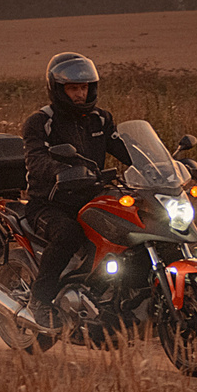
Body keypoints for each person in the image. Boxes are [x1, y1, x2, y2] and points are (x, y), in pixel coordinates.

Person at [22, 51, 133, 327]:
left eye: (84, 87)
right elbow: (35, 159)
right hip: (50, 203)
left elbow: (128, 150)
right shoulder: (40, 122)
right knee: (67, 234)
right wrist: (60, 170)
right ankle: (40, 301)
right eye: (73, 88)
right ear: (58, 89)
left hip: (92, 199)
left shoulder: (101, 120)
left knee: (130, 229)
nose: (80, 94)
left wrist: (160, 164)